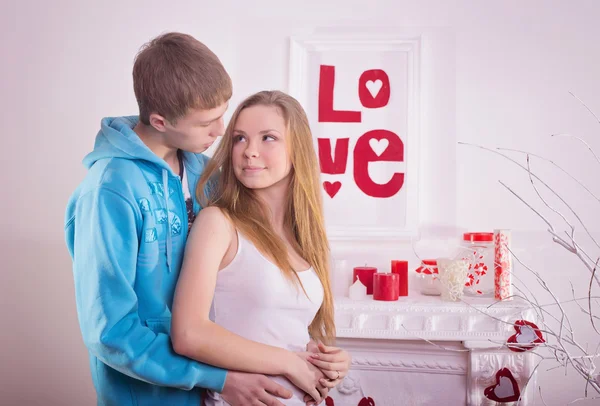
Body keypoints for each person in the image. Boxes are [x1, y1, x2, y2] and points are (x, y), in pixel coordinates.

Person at [64, 33, 295, 406]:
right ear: (159, 120)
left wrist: (304, 351)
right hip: (147, 398)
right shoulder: (108, 191)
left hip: (214, 396)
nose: (221, 131)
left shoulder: (206, 173)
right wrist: (217, 378)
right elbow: (111, 331)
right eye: (207, 122)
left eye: (223, 114)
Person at [171, 90, 352, 406]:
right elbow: (189, 333)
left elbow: (277, 329)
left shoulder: (305, 240)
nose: (249, 151)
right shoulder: (219, 224)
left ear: (297, 149)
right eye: (240, 139)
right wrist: (289, 363)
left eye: (268, 138)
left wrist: (327, 360)